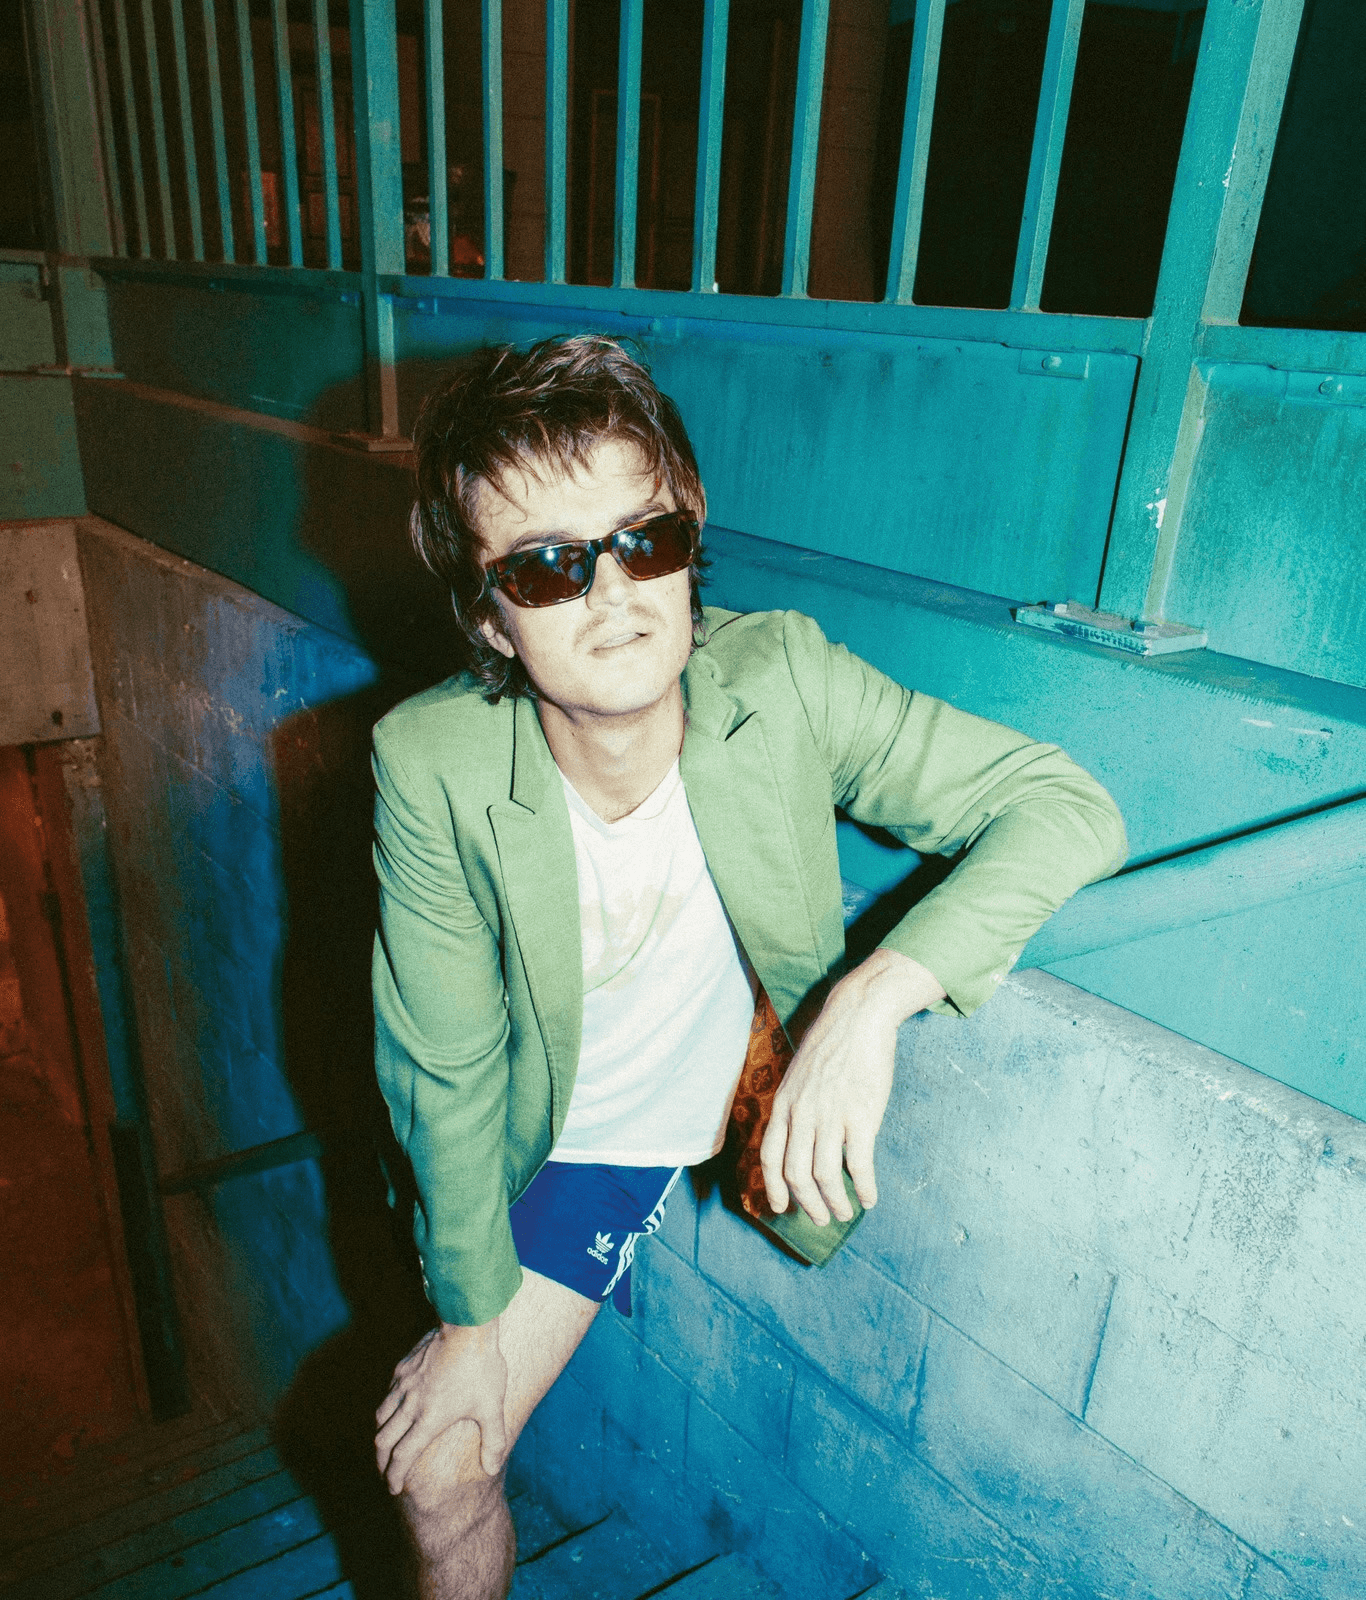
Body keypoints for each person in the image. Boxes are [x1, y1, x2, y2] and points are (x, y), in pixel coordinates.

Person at [369, 334, 1126, 1600]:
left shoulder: (781, 680)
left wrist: (871, 997)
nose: (612, 594)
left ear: (691, 536)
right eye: (548, 565)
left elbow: (1064, 806)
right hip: (518, 1129)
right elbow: (442, 1064)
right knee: (437, 1469)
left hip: (625, 1139)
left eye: (644, 539)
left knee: (440, 1466)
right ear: (490, 616)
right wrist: (466, 1324)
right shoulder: (429, 763)